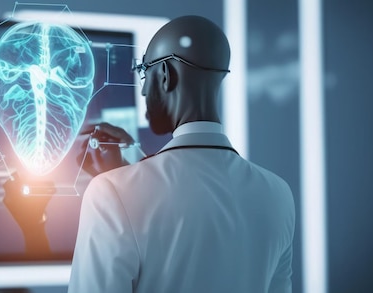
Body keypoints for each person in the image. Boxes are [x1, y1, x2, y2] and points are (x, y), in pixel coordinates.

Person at [67, 15, 296, 293]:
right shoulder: (278, 194)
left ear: (165, 75)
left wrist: (120, 187)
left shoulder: (109, 192)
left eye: (144, 73)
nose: (142, 90)